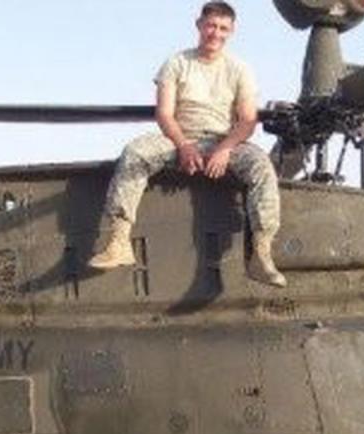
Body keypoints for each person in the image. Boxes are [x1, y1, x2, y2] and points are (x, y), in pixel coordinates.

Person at [88, 1, 286, 287]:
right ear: (199, 25)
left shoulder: (239, 69)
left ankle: (262, 253)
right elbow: (165, 113)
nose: (215, 33)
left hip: (222, 140)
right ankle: (119, 240)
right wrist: (183, 144)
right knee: (135, 153)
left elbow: (246, 121)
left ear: (231, 31)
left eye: (222, 28)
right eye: (210, 26)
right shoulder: (177, 63)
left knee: (261, 167)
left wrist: (224, 149)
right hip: (179, 137)